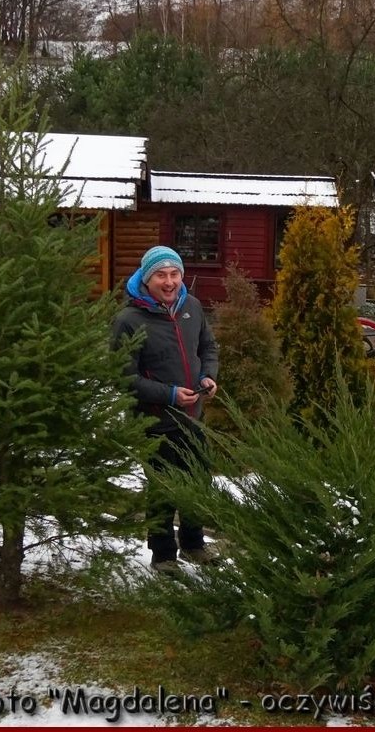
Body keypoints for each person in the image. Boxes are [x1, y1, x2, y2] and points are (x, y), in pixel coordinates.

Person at [112, 245, 220, 573]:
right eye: (161, 275)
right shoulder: (129, 320)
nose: (170, 282)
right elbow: (122, 378)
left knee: (198, 481)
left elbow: (208, 347)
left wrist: (208, 376)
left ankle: (193, 544)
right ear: (147, 279)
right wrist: (170, 394)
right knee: (163, 489)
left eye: (174, 274)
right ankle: (163, 555)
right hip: (155, 422)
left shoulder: (192, 307)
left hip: (193, 418)